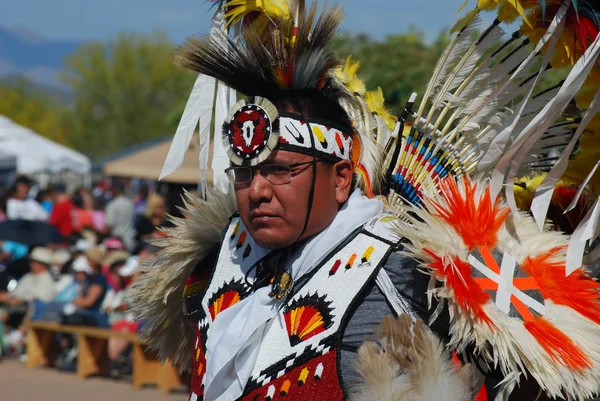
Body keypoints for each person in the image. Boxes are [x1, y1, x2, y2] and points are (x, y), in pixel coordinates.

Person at [133, 2, 600, 401]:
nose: (256, 190)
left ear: (340, 179)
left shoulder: (402, 277)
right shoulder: (219, 261)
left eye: (281, 171)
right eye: (245, 174)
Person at [0, 247, 55, 328]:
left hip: (30, 310)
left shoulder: (47, 280)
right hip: (15, 306)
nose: (31, 264)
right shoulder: (28, 276)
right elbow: (15, 293)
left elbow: (39, 300)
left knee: (3, 314)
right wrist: (6, 297)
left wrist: (19, 300)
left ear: (42, 264)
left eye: (34, 262)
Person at [104, 180, 136, 252]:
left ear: (114, 189)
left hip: (117, 244)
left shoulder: (112, 205)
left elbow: (109, 226)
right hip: (130, 241)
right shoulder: (130, 203)